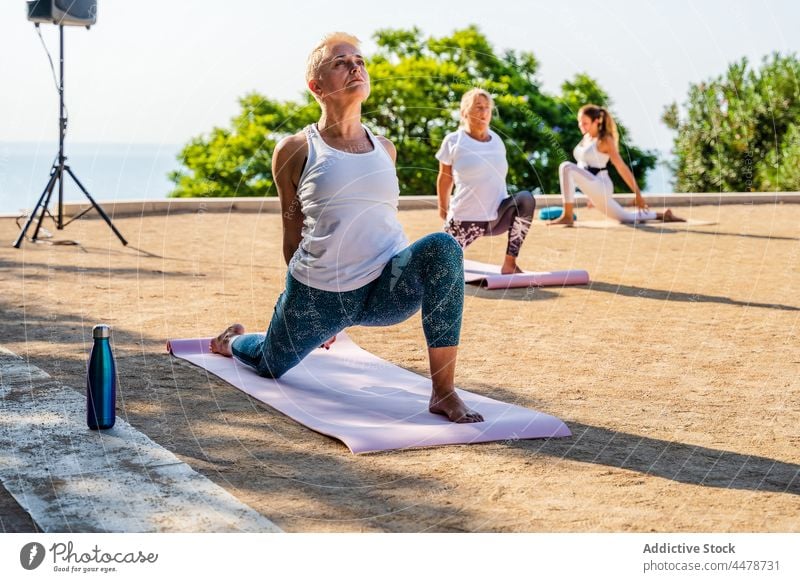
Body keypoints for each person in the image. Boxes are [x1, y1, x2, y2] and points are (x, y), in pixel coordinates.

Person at [210, 32, 482, 423]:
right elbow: (292, 234)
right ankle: (232, 340)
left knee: (444, 247)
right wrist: (305, 306)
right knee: (270, 363)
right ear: (316, 86)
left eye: (359, 61)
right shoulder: (296, 149)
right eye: (341, 62)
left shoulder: (386, 148)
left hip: (386, 286)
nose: (355, 66)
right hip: (319, 293)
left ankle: (443, 392)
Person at [436, 88, 536, 274]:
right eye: (478, 107)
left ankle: (509, 263)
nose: (484, 112)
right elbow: (444, 177)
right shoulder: (453, 140)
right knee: (441, 269)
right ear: (465, 112)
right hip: (464, 219)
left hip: (496, 217)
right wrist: (443, 208)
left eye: (487, 108)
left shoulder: (497, 140)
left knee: (526, 199)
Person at [549, 104, 684, 226]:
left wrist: (637, 194)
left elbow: (621, 166)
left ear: (597, 121)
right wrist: (590, 192)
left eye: (585, 123)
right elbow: (582, 166)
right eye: (579, 122)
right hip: (593, 188)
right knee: (624, 218)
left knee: (566, 167)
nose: (581, 125)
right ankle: (663, 215)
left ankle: (567, 216)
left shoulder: (605, 140)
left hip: (601, 186)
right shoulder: (586, 138)